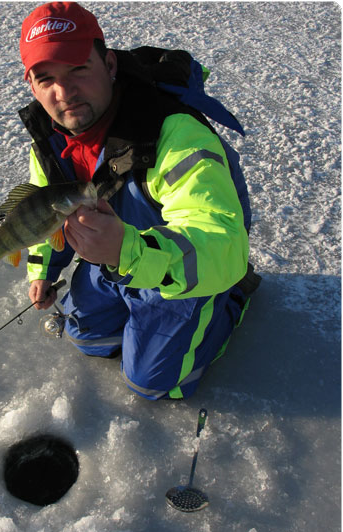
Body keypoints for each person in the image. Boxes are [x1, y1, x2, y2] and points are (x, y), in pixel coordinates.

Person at [18, 1, 260, 401]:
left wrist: (126, 250)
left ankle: (231, 298)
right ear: (32, 86)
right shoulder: (50, 140)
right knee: (87, 338)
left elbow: (221, 239)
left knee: (154, 384)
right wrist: (42, 272)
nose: (64, 93)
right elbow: (43, 216)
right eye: (46, 79)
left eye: (78, 68)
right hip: (116, 258)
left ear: (109, 65)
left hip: (180, 265)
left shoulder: (175, 135)